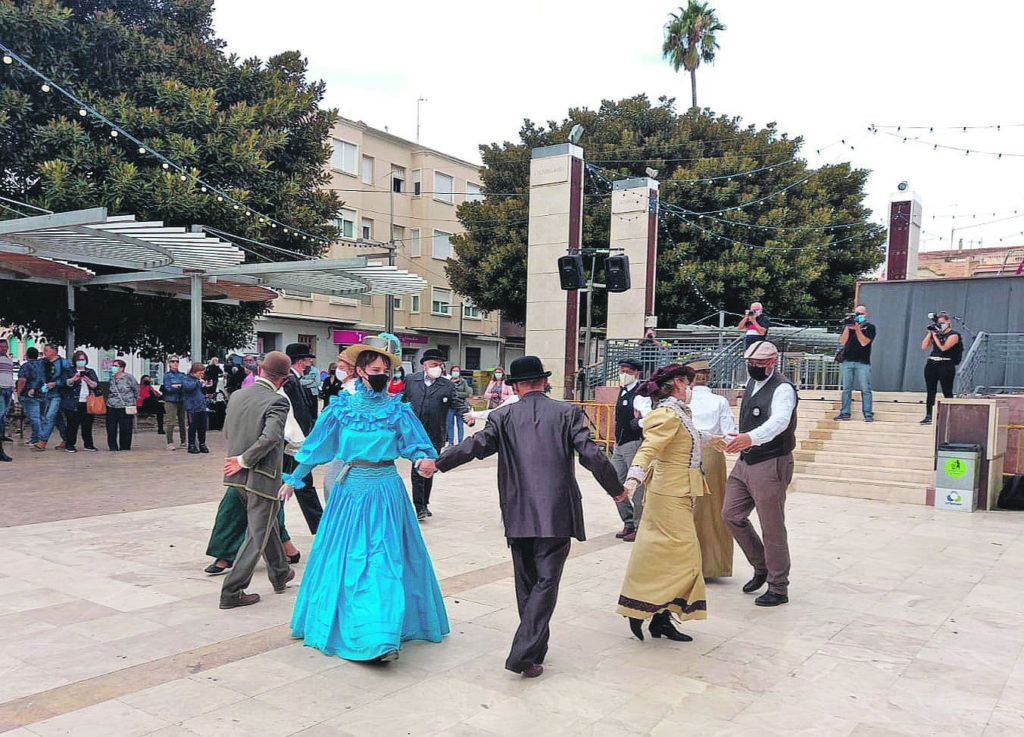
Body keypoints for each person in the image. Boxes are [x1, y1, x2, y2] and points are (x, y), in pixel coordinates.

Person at [436, 356, 624, 678]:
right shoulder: (567, 413)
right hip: (557, 512)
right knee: (546, 583)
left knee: (527, 584)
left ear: (516, 385)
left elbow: (476, 445)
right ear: (544, 382)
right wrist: (616, 490)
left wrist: (439, 463)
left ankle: (534, 654)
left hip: (518, 510)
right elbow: (592, 454)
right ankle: (525, 653)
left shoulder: (503, 416)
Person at [283, 333, 449, 663]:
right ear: (359, 371)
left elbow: (418, 445)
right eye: (374, 368)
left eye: (385, 370)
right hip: (349, 493)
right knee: (349, 562)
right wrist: (294, 479)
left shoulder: (398, 410)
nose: (380, 374)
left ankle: (381, 637)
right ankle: (356, 628)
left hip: (387, 491)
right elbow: (316, 447)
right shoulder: (339, 409)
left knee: (383, 561)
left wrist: (423, 461)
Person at [618, 363, 724, 642]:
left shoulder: (679, 412)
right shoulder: (666, 414)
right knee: (686, 557)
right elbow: (649, 449)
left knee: (663, 554)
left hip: (678, 492)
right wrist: (632, 480)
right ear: (677, 382)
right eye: (687, 383)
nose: (690, 388)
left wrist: (717, 441)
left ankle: (658, 616)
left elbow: (690, 437)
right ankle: (643, 607)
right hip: (667, 495)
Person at [722, 341, 798, 608]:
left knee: (772, 527)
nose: (753, 368)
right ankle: (761, 565)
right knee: (731, 515)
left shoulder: (783, 389)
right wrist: (734, 438)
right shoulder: (752, 383)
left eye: (759, 364)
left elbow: (780, 422)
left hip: (771, 461)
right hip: (746, 461)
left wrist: (750, 438)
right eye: (750, 364)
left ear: (772, 362)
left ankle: (779, 586)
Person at [219, 351, 295, 609]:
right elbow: (272, 437)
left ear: (260, 371)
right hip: (261, 474)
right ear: (283, 379)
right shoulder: (278, 401)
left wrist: (238, 460)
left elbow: (228, 431)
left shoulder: (238, 395)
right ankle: (232, 590)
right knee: (256, 533)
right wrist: (246, 459)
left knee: (267, 525)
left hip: (234, 473)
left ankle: (280, 572)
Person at [401, 348, 474, 520]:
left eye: (440, 365)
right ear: (425, 365)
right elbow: (400, 401)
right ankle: (419, 506)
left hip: (435, 433)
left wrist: (467, 417)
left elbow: (457, 403)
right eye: (434, 364)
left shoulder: (447, 385)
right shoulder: (411, 380)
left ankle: (425, 503)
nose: (438, 368)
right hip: (415, 434)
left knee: (430, 467)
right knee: (417, 467)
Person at [686, 360, 736, 579]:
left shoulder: (680, 400)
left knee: (683, 508)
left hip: (683, 454)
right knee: (712, 509)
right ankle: (712, 565)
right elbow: (728, 433)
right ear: (708, 376)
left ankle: (684, 564)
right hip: (712, 454)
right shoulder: (719, 401)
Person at [610, 358, 653, 543]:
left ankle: (638, 525)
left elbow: (648, 415)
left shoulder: (639, 394)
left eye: (627, 370)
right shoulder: (622, 390)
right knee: (614, 483)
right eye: (621, 370)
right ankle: (628, 521)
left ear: (636, 373)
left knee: (636, 486)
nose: (623, 374)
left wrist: (640, 421)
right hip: (619, 444)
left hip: (633, 443)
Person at [282, 343, 324, 533]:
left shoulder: (296, 380)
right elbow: (297, 414)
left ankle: (319, 523)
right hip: (294, 442)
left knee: (297, 482)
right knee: (302, 483)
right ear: (300, 362)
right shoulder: (290, 381)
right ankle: (320, 524)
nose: (309, 363)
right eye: (307, 360)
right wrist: (302, 439)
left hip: (297, 441)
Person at [834, 305, 877, 423]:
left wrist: (857, 328)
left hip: (862, 362)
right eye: (857, 313)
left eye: (861, 313)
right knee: (846, 388)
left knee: (865, 388)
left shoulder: (870, 327)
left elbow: (864, 342)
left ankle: (868, 413)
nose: (859, 316)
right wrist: (848, 326)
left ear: (866, 314)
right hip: (848, 360)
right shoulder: (850, 327)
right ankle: (844, 412)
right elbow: (843, 341)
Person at [920, 311, 961, 425]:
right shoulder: (936, 333)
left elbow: (944, 348)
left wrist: (935, 337)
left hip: (946, 364)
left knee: (947, 391)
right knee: (930, 390)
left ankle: (949, 416)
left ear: (948, 322)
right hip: (932, 363)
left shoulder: (954, 335)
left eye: (943, 323)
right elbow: (924, 346)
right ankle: (929, 415)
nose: (941, 325)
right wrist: (930, 333)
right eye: (939, 323)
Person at [61, 350, 100, 453]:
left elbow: (96, 385)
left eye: (83, 360)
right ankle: (70, 444)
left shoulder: (90, 372)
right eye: (79, 360)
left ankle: (88, 444)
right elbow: (64, 383)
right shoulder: (69, 371)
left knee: (87, 425)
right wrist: (73, 379)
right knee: (72, 425)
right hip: (73, 402)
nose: (81, 362)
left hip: (88, 402)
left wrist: (88, 381)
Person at [35, 344, 71, 451]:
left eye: (47, 350)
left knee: (49, 416)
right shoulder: (43, 362)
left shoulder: (63, 363)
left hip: (58, 394)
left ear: (54, 351)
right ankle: (66, 439)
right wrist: (34, 388)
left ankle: (43, 440)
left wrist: (55, 383)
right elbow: (39, 376)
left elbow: (66, 378)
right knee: (57, 419)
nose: (45, 352)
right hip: (46, 393)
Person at [106, 360, 140, 451]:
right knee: (111, 428)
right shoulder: (111, 378)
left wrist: (133, 400)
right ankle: (113, 446)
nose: (113, 367)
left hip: (126, 406)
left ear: (121, 368)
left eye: (116, 366)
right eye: (113, 365)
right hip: (112, 406)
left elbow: (136, 389)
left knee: (126, 428)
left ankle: (125, 446)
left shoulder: (129, 378)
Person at [17, 347, 44, 449]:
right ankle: (41, 438)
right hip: (42, 394)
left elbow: (22, 381)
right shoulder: (42, 366)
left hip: (29, 395)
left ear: (27, 355)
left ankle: (36, 439)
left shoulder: (26, 366)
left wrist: (19, 393)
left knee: (34, 418)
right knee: (41, 417)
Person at [179, 362, 209, 454]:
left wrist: (205, 387)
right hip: (192, 408)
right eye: (200, 373)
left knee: (202, 427)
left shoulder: (199, 380)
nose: (201, 375)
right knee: (193, 427)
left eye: (202, 373)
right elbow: (188, 388)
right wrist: (197, 382)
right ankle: (191, 445)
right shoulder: (186, 379)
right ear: (194, 372)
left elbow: (202, 392)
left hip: (201, 407)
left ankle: (202, 444)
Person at [161, 356, 188, 451]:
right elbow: (168, 388)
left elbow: (185, 385)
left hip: (181, 400)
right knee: (170, 421)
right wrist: (177, 387)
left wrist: (177, 386)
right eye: (173, 361)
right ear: (169, 363)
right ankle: (170, 442)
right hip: (170, 400)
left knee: (182, 421)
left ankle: (184, 441)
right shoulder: (167, 375)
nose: (175, 363)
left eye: (177, 361)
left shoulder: (182, 375)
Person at [446, 364, 472, 447]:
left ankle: (461, 442)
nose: (455, 373)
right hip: (450, 406)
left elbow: (467, 393)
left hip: (460, 406)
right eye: (454, 371)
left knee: (460, 425)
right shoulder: (448, 381)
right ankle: (451, 442)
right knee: (450, 425)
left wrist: (457, 394)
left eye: (457, 371)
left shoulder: (463, 381)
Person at [0, 338, 13, 445]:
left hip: (8, 389)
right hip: (0, 388)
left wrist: (12, 385)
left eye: (5, 347)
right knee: (0, 413)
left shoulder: (9, 360)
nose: (3, 349)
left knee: (4, 414)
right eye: (1, 347)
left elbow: (10, 374)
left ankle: (2, 434)